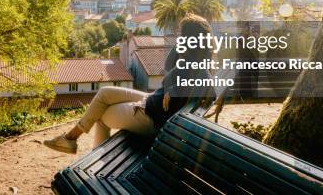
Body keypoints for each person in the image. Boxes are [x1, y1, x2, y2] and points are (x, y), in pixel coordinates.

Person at [43, 13, 213, 154]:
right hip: (152, 101)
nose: (179, 37)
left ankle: (92, 164)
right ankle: (70, 139)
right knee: (105, 93)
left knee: (100, 116)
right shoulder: (197, 61)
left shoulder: (194, 67)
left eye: (182, 35)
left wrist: (175, 88)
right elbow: (167, 74)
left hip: (150, 117)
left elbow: (177, 81)